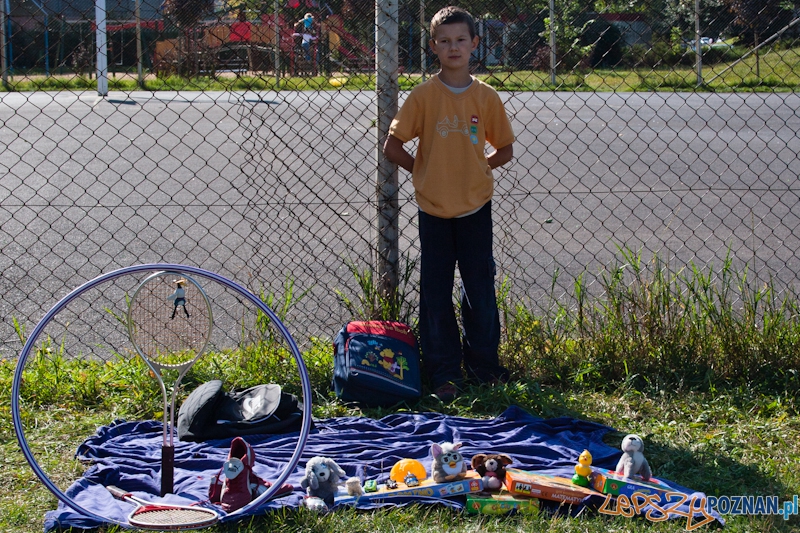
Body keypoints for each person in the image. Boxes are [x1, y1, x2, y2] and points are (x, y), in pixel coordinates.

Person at [383, 6, 515, 403]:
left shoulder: (485, 96)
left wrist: (478, 169)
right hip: (434, 210)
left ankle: (484, 368)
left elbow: (504, 150)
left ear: (475, 44)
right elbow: (393, 146)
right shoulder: (423, 96)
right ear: (433, 47)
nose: (453, 47)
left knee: (479, 289)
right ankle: (444, 372)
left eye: (461, 40)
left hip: (476, 207)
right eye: (444, 41)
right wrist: (423, 170)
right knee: (435, 293)